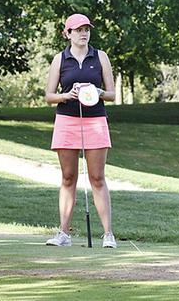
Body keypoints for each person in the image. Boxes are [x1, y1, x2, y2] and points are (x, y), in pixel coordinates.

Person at [44, 13, 117, 248]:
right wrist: (67, 95)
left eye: (86, 29)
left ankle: (108, 235)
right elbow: (49, 96)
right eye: (78, 30)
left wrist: (95, 91)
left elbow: (112, 94)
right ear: (68, 34)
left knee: (97, 177)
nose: (84, 33)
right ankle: (63, 233)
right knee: (68, 178)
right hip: (67, 120)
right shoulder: (60, 59)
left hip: (95, 120)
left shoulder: (101, 57)